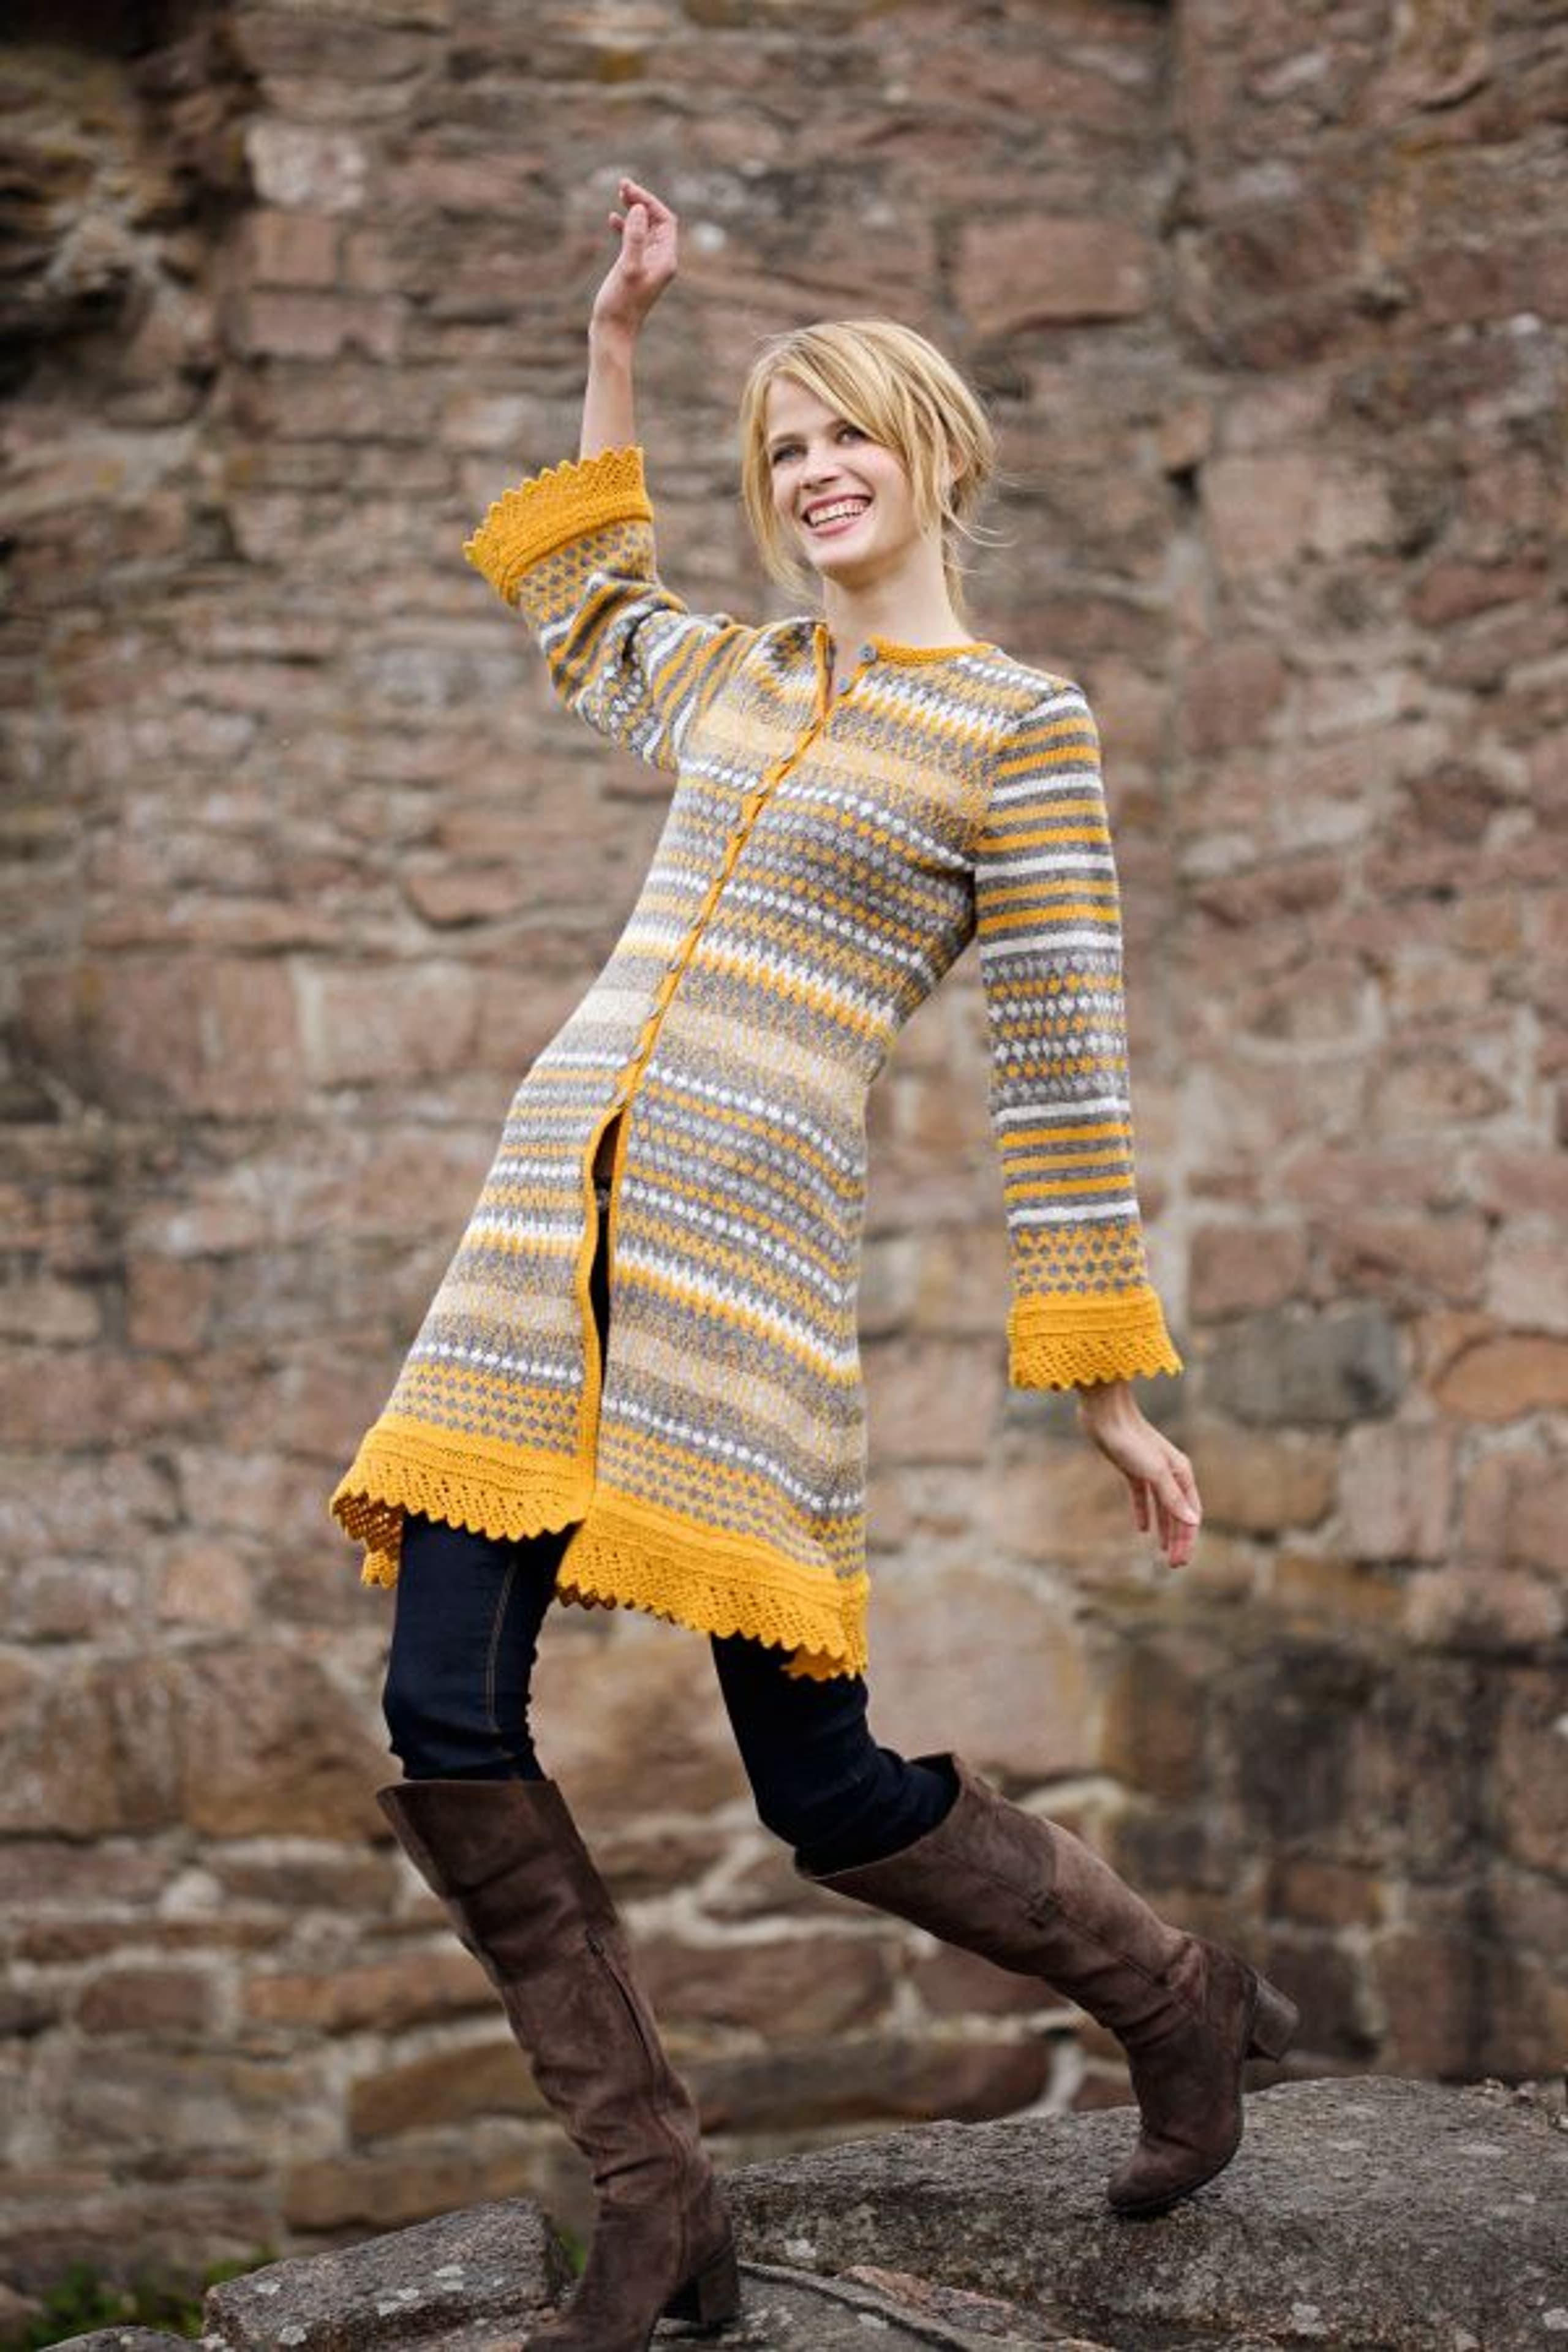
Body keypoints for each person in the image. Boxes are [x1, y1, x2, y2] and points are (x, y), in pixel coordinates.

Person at [329, 176, 1297, 2352]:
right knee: (439, 1712)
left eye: (847, 431)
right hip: (538, 1252)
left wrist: (1110, 1391)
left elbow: (1062, 1064)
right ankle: (653, 2189)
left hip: (738, 1289)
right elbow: (585, 596)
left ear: (936, 452)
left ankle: (1173, 1994)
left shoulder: (1020, 726)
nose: (813, 470)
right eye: (782, 447)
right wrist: (618, 337)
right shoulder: (741, 676)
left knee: (820, 1785)